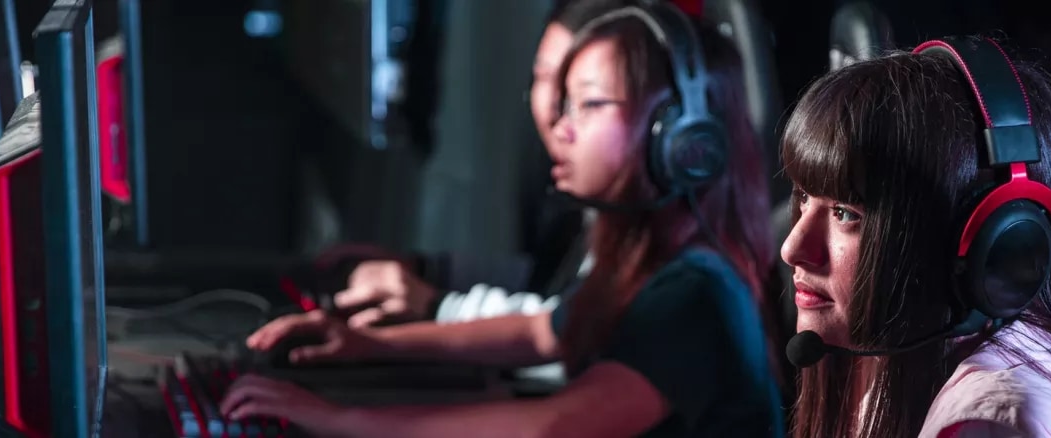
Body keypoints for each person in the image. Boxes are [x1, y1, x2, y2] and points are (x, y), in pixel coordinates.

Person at [220, 4, 785, 437]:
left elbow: (554, 426)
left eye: (589, 104)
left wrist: (346, 421)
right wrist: (365, 343)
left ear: (682, 139)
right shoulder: (647, 266)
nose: (560, 128)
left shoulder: (695, 295)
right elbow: (542, 331)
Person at [778, 38, 1051, 437]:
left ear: (994, 241)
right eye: (803, 197)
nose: (793, 248)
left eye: (845, 214)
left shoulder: (992, 424)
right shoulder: (910, 364)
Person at [317, 0, 629, 329]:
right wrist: (425, 270)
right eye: (544, 77)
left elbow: (572, 336)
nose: (555, 112)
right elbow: (550, 282)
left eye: (590, 98)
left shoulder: (661, 228)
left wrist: (435, 305)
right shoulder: (584, 205)